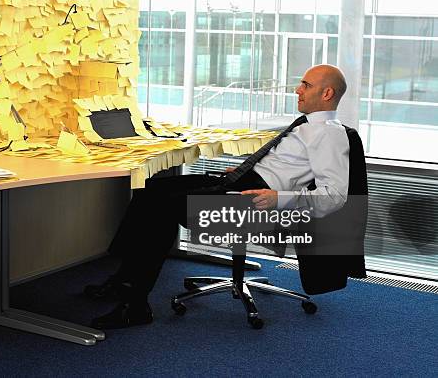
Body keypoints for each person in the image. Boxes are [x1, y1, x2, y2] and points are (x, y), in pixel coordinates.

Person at [85, 64, 350, 329]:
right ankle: (123, 280)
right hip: (243, 182)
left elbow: (335, 195)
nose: (297, 90)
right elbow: (287, 167)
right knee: (151, 188)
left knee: (162, 207)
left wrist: (278, 197)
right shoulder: (307, 126)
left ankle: (135, 305)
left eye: (306, 85)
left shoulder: (329, 133)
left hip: (257, 202)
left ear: (327, 93)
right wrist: (247, 170)